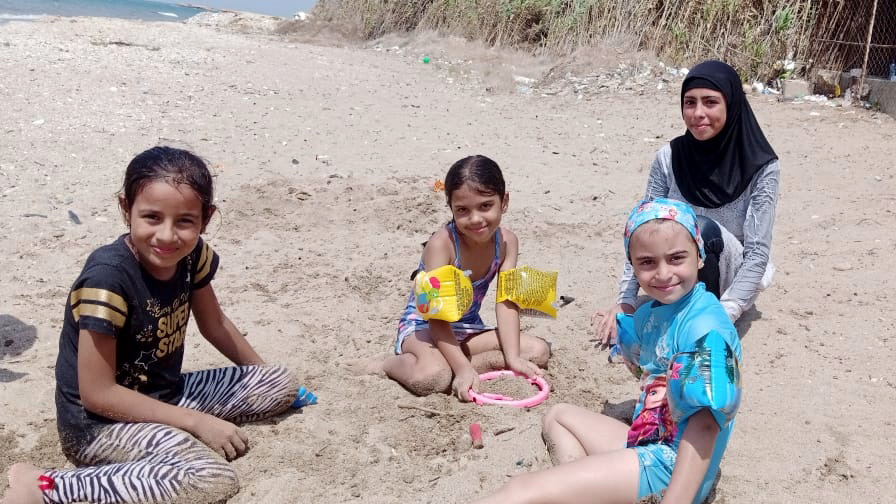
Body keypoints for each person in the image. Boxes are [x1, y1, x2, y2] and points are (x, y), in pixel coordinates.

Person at [2, 146, 311, 504]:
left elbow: (214, 324)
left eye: (184, 221)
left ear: (205, 218)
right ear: (126, 209)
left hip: (165, 393)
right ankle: (45, 486)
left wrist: (264, 377)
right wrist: (196, 422)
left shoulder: (192, 255)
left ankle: (167, 440)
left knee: (281, 381)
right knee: (211, 477)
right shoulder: (107, 280)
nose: (166, 236)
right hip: (100, 425)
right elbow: (98, 394)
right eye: (151, 217)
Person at [474, 198, 743, 504]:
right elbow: (639, 359)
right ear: (633, 266)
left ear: (700, 257)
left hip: (673, 471)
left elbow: (705, 425)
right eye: (647, 262)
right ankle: (587, 490)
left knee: (522, 491)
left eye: (676, 258)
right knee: (558, 417)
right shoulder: (652, 314)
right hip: (648, 445)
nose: (663, 273)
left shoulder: (706, 329)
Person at [594, 60, 779, 346]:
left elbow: (757, 255)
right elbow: (642, 228)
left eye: (710, 102)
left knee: (699, 227)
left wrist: (723, 313)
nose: (698, 113)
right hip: (675, 267)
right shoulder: (669, 158)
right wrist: (626, 302)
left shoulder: (761, 167)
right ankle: (675, 311)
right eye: (690, 103)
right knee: (654, 227)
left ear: (731, 105)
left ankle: (698, 317)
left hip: (729, 277)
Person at [383, 155, 551, 402]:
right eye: (463, 210)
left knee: (538, 351)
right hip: (425, 327)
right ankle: (387, 364)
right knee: (433, 378)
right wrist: (462, 368)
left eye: (485, 206)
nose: (475, 219)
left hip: (468, 327)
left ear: (504, 202)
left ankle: (453, 361)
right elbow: (436, 318)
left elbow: (507, 302)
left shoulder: (508, 242)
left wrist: (513, 357)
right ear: (451, 207)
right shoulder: (442, 245)